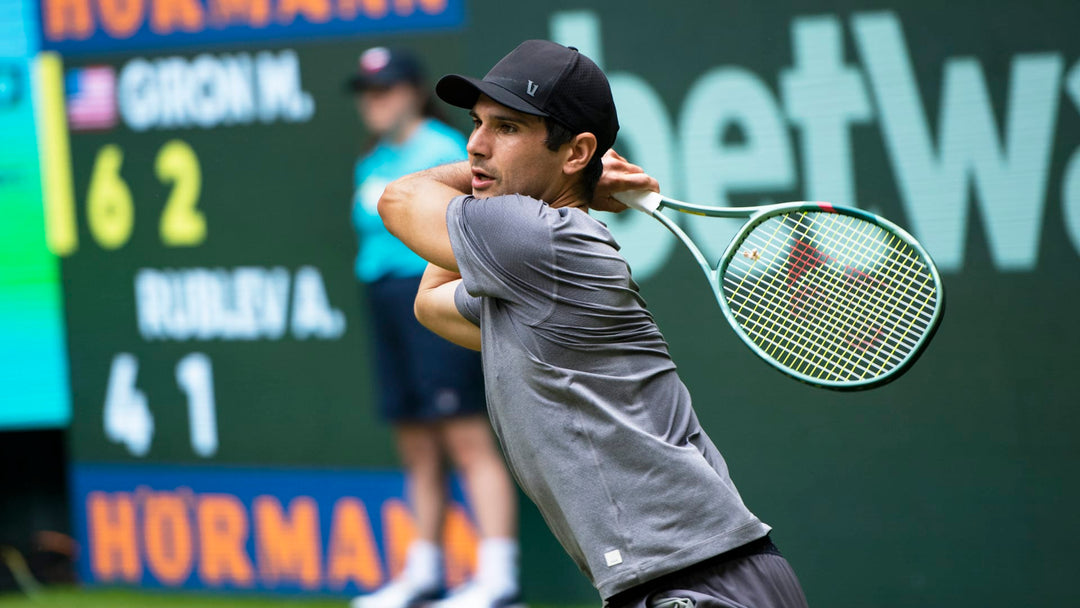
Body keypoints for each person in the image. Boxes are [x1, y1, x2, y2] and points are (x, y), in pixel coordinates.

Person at [377, 40, 811, 608]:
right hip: (694, 574)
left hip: (697, 579)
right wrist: (496, 179)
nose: (477, 144)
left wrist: (497, 183)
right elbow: (430, 302)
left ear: (577, 151)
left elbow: (399, 199)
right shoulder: (529, 272)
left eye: (506, 128)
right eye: (476, 123)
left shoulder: (545, 241)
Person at [345, 46, 521, 608]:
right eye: (367, 93)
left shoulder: (445, 152)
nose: (374, 103)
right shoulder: (369, 162)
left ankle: (498, 578)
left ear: (412, 91)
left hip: (435, 297)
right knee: (416, 443)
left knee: (465, 436)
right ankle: (424, 572)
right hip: (384, 299)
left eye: (386, 90)